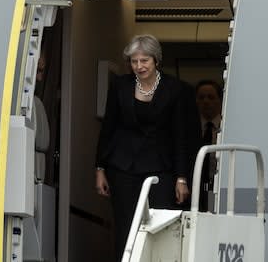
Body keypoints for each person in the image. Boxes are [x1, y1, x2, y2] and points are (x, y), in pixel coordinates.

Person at [95, 34, 190, 262]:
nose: (139, 66)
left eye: (144, 60)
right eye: (134, 61)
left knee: (160, 225)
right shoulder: (120, 85)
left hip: (162, 168)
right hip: (123, 167)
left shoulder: (175, 89)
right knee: (126, 225)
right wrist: (99, 168)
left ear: (156, 60)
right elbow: (109, 127)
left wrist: (182, 177)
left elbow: (181, 135)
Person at [195, 80, 223, 211]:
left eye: (211, 97)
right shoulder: (190, 127)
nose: (206, 101)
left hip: (220, 184)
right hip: (196, 187)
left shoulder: (227, 126)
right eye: (201, 98)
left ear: (220, 100)